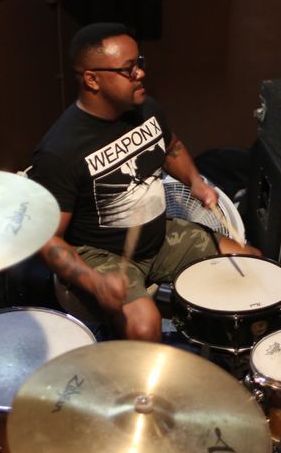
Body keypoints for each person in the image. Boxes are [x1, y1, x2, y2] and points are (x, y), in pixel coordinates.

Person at [30, 22, 258, 342]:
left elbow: (171, 147)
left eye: (139, 62)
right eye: (128, 69)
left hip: (158, 236)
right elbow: (46, 240)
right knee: (144, 325)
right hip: (103, 254)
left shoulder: (144, 109)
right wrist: (94, 281)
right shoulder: (59, 152)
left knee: (252, 263)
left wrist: (194, 181)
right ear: (92, 79)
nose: (140, 73)